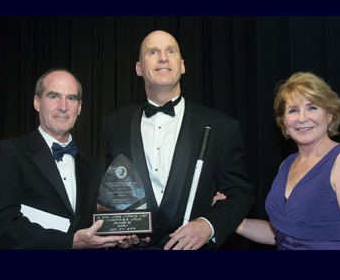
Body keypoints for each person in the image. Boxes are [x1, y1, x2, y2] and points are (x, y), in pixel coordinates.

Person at [102, 30, 254, 250]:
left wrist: (208, 225)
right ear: (138, 69)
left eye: (170, 51)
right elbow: (113, 193)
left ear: (182, 65)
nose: (163, 57)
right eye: (153, 52)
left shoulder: (222, 126)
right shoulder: (115, 124)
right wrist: (119, 230)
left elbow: (240, 193)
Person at [0, 68, 141, 249]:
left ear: (79, 107)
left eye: (71, 98)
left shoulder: (94, 166)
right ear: (37, 102)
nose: (63, 106)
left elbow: (94, 227)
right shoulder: (8, 153)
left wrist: (116, 239)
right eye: (54, 96)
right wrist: (71, 242)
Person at [215, 72, 340, 250]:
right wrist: (229, 217)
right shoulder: (286, 165)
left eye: (312, 108)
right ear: (284, 122)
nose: (302, 118)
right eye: (293, 110)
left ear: (330, 115)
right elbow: (281, 235)